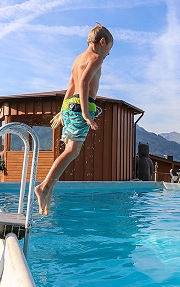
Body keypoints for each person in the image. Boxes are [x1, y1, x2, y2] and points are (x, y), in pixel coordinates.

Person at [35, 23, 113, 215]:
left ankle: (49, 187)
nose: (108, 54)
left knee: (70, 149)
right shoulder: (96, 58)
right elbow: (84, 83)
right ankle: (44, 186)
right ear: (102, 42)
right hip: (81, 106)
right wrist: (86, 113)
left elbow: (71, 85)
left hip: (70, 105)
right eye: (109, 49)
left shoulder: (78, 59)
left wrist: (63, 111)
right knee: (72, 150)